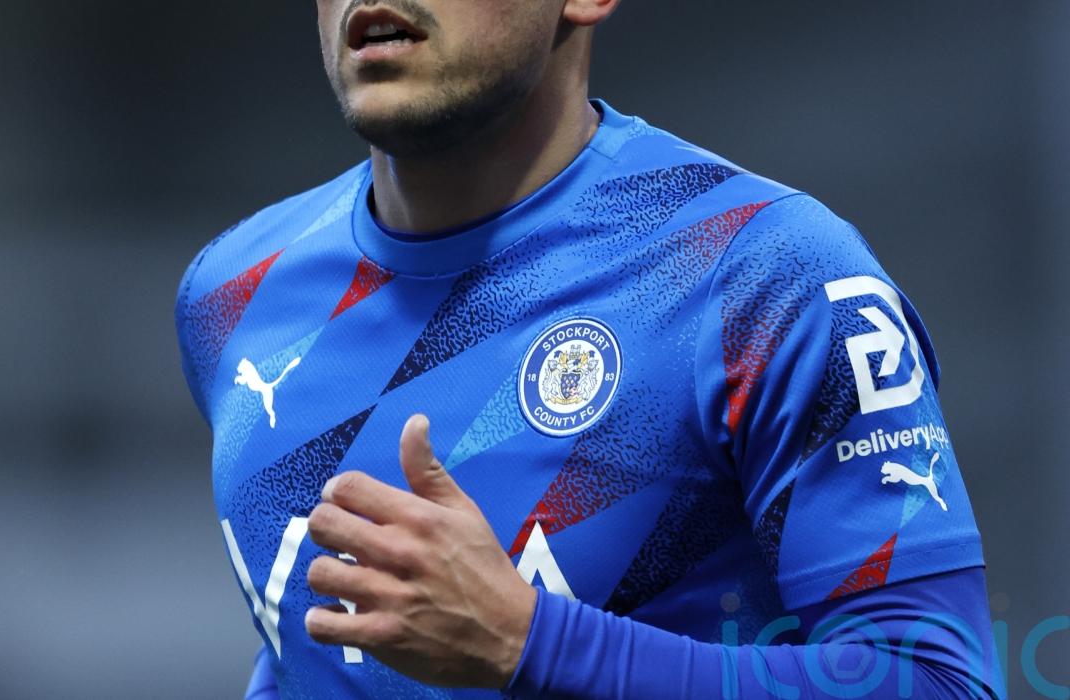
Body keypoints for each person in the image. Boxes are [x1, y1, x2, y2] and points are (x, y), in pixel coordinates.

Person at [174, 0, 1002, 697]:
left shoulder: (761, 276)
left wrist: (534, 644)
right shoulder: (233, 294)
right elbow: (308, 660)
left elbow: (937, 682)